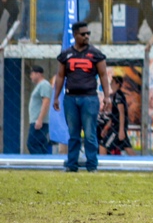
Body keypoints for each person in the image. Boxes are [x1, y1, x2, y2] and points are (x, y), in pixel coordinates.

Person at [53, 22, 111, 172]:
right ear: (75, 35)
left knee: (90, 133)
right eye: (83, 34)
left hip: (89, 98)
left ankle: (92, 165)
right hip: (70, 98)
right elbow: (60, 76)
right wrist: (56, 97)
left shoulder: (95, 54)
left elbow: (103, 75)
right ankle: (72, 164)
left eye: (88, 33)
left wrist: (107, 96)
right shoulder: (66, 55)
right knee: (73, 134)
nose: (86, 36)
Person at [98, 75, 133, 155]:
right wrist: (106, 128)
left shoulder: (118, 96)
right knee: (127, 148)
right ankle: (139, 161)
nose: (111, 84)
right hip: (116, 126)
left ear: (117, 84)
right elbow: (114, 115)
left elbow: (121, 113)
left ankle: (104, 162)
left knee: (103, 146)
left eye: (112, 82)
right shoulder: (114, 96)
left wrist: (121, 130)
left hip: (117, 128)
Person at [26, 66, 52, 154]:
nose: (31, 77)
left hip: (40, 122)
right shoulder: (40, 86)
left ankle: (38, 161)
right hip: (37, 121)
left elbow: (46, 101)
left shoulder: (44, 85)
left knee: (32, 143)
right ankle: (43, 161)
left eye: (32, 74)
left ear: (38, 74)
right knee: (40, 144)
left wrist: (40, 119)